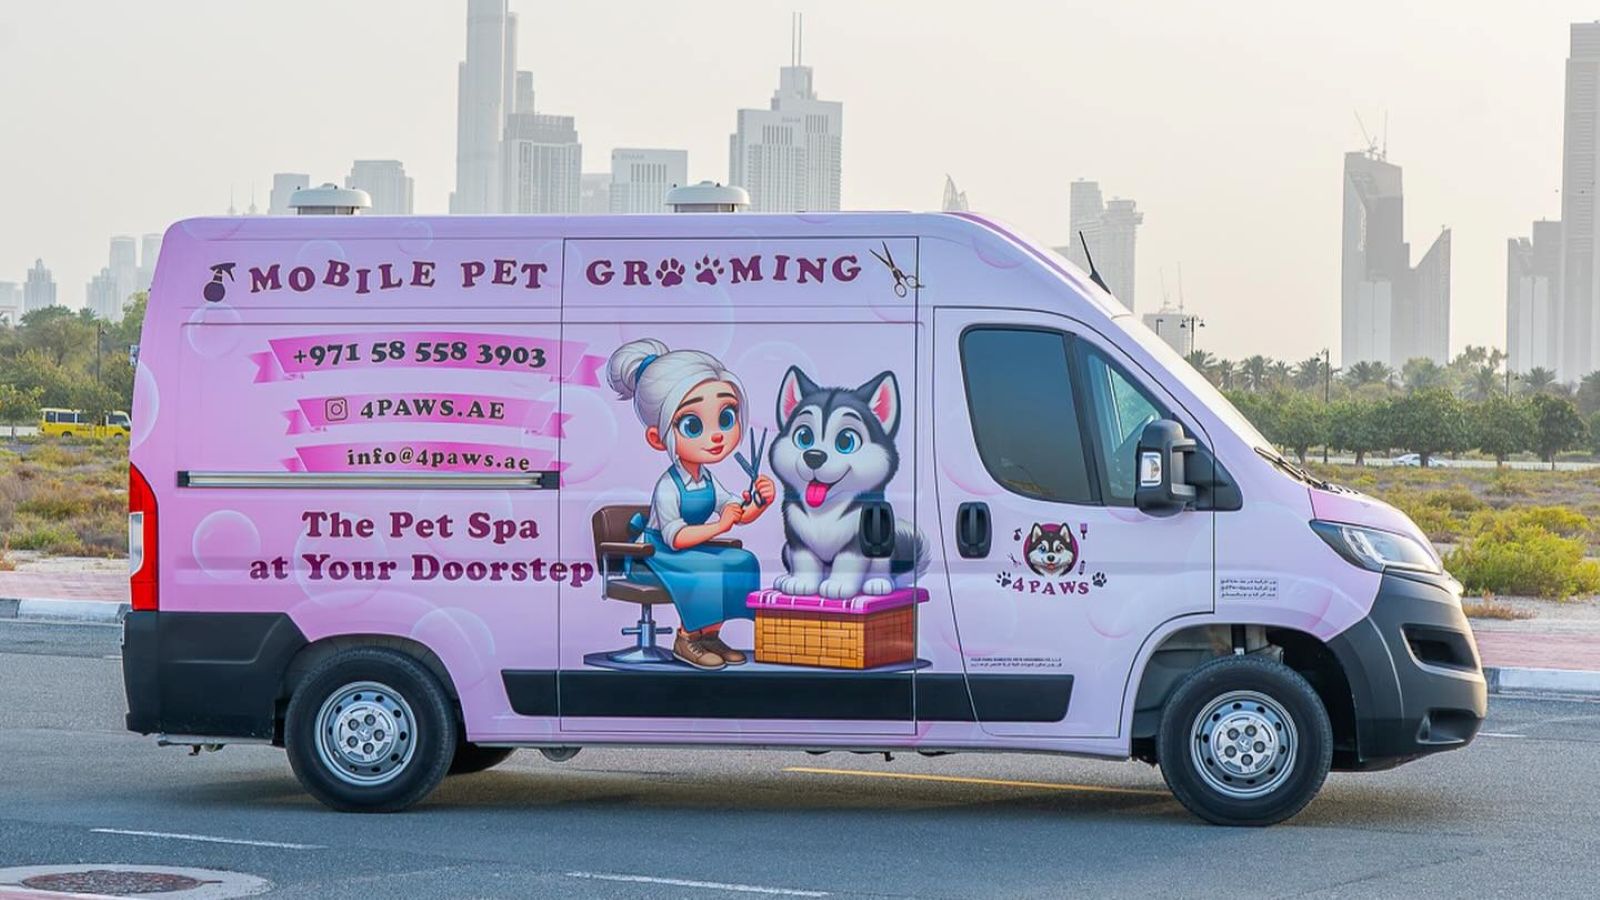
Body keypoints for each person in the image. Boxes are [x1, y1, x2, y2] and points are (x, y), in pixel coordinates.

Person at [606, 338, 777, 670]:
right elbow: (675, 538)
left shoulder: (707, 479)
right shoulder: (669, 485)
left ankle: (709, 636)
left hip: (686, 551)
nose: (715, 435)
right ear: (658, 438)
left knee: (742, 560)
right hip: (654, 556)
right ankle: (687, 638)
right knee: (708, 569)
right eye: (693, 425)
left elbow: (736, 512)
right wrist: (720, 525)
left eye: (726, 417)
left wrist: (759, 503)